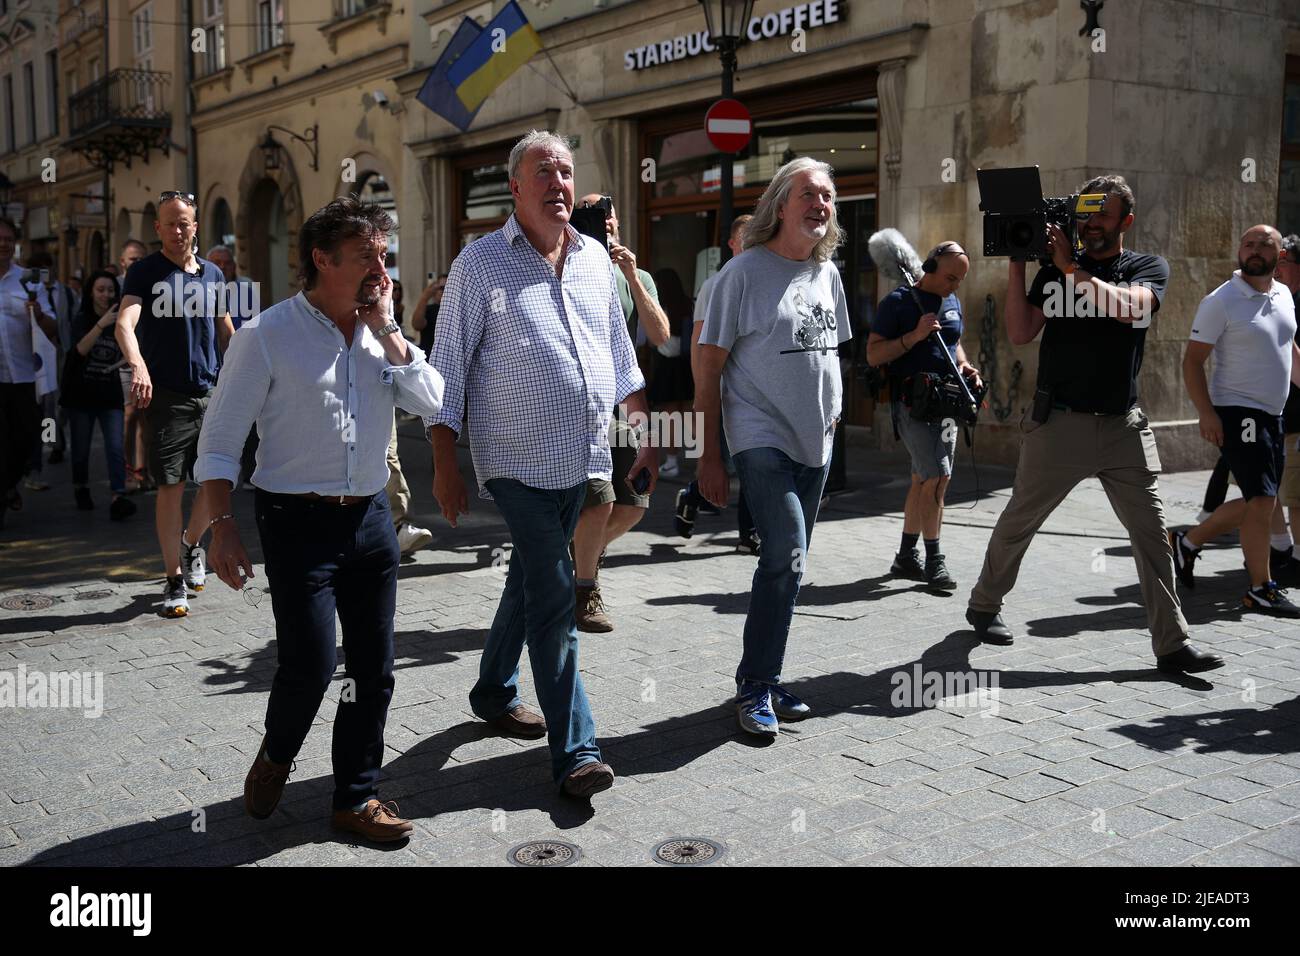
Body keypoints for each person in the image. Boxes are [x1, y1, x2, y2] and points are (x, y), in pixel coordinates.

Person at [198, 196, 444, 842]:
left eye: (383, 255)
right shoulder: (267, 334)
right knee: (309, 664)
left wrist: (390, 330)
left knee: (374, 669)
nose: (379, 267)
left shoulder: (379, 331)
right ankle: (278, 754)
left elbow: (433, 402)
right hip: (294, 522)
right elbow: (221, 437)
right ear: (321, 259)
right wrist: (220, 525)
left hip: (369, 520)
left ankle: (355, 798)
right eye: (365, 256)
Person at [428, 130, 656, 798]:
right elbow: (446, 368)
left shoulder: (596, 263)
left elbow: (619, 357)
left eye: (565, 170)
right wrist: (446, 460)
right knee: (555, 596)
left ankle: (494, 690)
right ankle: (577, 753)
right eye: (543, 171)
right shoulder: (479, 264)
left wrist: (646, 432)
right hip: (514, 461)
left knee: (528, 581)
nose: (558, 181)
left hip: (584, 455)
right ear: (517, 188)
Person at [965, 174, 1222, 674]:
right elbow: (1019, 332)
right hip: (1058, 423)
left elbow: (1132, 311)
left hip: (1123, 426)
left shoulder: (1145, 267)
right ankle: (984, 604)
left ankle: (1172, 644)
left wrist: (1072, 270)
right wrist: (1020, 262)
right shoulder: (1055, 270)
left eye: (1102, 216)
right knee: (1020, 520)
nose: (1091, 225)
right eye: (1085, 215)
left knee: (1150, 533)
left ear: (1126, 221)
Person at [696, 156, 851, 737]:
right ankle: (755, 686)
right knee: (785, 553)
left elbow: (832, 357)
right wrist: (708, 456)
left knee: (790, 564)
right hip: (760, 437)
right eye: (809, 194)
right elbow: (707, 368)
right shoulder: (743, 274)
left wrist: (833, 421)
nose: (820, 204)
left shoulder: (827, 273)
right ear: (780, 205)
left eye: (828, 197)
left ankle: (768, 676)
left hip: (818, 441)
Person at [114, 193, 235, 618]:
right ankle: (173, 579)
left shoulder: (213, 274)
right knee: (171, 486)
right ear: (158, 229)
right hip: (165, 397)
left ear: (195, 226)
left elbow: (227, 332)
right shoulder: (145, 273)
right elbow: (124, 325)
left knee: (215, 478)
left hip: (211, 393)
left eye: (185, 223)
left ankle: (191, 545)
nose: (178, 230)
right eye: (170, 223)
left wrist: (247, 377)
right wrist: (138, 366)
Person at [1170, 225, 1300, 616]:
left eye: (1265, 244)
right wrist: (1206, 413)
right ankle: (1260, 587)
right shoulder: (1221, 301)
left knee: (1261, 500)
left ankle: (1188, 542)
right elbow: (1192, 361)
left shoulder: (1283, 296)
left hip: (1274, 414)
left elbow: (1289, 348)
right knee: (1262, 500)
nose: (1256, 250)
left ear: (1280, 256)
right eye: (1249, 244)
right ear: (1239, 252)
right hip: (1238, 411)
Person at [568, 194, 670, 633]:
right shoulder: (567, 265)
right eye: (590, 211)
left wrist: (630, 274)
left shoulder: (637, 275)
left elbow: (661, 335)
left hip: (625, 404)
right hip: (581, 406)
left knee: (633, 505)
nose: (603, 216)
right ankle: (585, 587)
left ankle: (576, 558)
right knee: (596, 503)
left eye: (607, 209)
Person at [867, 241, 981, 590]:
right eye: (949, 277)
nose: (954, 286)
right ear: (929, 267)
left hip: (947, 403)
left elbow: (953, 340)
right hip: (913, 402)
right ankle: (934, 561)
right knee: (937, 478)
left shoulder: (952, 300)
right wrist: (914, 336)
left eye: (959, 280)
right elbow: (873, 355)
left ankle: (905, 557)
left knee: (923, 478)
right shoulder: (898, 303)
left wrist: (964, 365)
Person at [676, 214, 759, 553]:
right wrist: (702, 393)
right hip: (721, 392)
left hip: (751, 394)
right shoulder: (716, 284)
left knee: (748, 464)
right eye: (745, 239)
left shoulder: (761, 279)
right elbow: (699, 343)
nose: (752, 244)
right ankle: (697, 496)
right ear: (732, 244)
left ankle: (745, 535)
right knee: (730, 463)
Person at [59, 270, 136, 520]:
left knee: (115, 447)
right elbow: (79, 350)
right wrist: (102, 323)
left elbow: (131, 349)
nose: (106, 295)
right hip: (81, 396)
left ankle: (118, 495)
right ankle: (80, 487)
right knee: (80, 450)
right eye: (100, 290)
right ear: (91, 292)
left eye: (110, 290)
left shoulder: (122, 320)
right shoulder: (82, 319)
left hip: (109, 395)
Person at [0, 216, 58, 528]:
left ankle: (10, 484)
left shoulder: (30, 280)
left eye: (8, 239)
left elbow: (52, 327)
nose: (3, 244)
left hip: (24, 377)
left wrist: (38, 314)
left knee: (24, 441)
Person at [205, 244, 260, 490]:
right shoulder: (201, 287)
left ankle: (248, 471)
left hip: (242, 360)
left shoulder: (247, 288)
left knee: (249, 419)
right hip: (211, 364)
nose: (222, 267)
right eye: (216, 262)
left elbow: (255, 323)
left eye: (226, 262)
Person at [649, 267, 695, 479]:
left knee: (670, 417)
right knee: (689, 414)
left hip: (669, 366)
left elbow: (663, 343)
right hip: (687, 364)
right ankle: (699, 460)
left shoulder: (662, 307)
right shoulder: (688, 303)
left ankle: (672, 462)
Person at [117, 239, 151, 491]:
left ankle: (142, 470)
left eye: (141, 259)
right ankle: (128, 468)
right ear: (122, 262)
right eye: (132, 259)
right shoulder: (112, 287)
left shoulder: (152, 284)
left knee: (145, 417)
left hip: (149, 360)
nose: (137, 263)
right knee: (129, 416)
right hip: (122, 362)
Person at [412, 273, 447, 357]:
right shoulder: (428, 309)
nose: (445, 291)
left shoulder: (457, 310)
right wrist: (425, 297)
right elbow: (417, 325)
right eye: (442, 288)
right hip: (429, 357)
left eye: (449, 287)